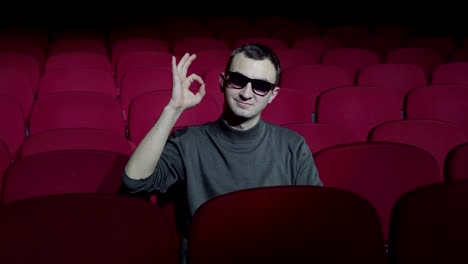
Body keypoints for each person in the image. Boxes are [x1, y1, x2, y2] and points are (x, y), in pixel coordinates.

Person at [122, 43, 322, 262]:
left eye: (260, 86)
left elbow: (313, 217)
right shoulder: (188, 142)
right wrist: (173, 109)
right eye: (238, 80)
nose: (247, 93)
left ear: (273, 95)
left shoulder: (293, 146)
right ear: (222, 82)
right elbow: (135, 182)